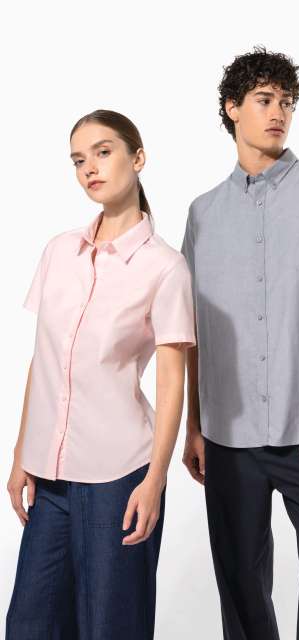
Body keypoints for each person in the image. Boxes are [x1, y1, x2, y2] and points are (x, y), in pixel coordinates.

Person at [181, 46, 299, 640]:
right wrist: (194, 425)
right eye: (264, 99)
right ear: (231, 108)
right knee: (240, 587)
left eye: (287, 102)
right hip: (228, 435)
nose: (278, 113)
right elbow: (192, 333)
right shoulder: (203, 214)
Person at [6, 109, 196, 639]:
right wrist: (22, 454)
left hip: (120, 476)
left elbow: (171, 383)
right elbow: (43, 361)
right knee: (29, 624)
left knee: (111, 627)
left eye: (103, 152)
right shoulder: (58, 252)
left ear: (138, 158)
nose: (89, 167)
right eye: (78, 160)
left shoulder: (165, 268)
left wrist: (155, 480)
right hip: (51, 479)